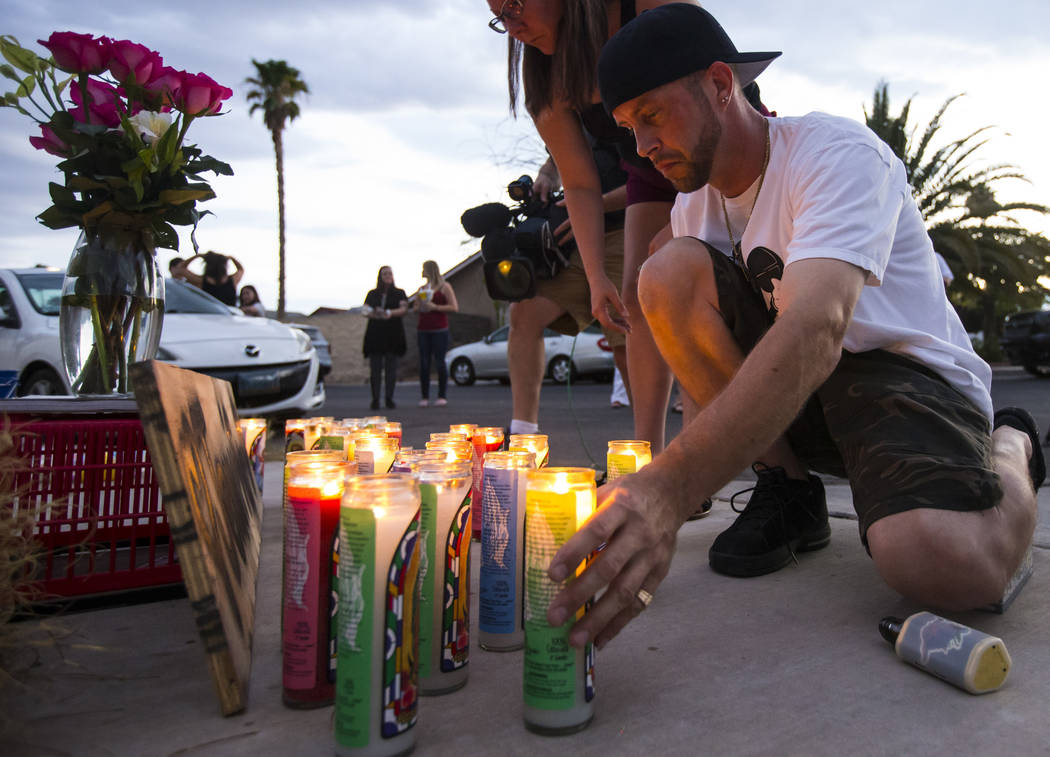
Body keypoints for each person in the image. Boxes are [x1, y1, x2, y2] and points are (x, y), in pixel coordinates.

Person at [545, 4, 1044, 651]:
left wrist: (669, 489)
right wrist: (659, 479)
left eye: (651, 116)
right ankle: (792, 490)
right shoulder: (697, 203)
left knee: (937, 563)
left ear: (722, 86)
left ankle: (1015, 442)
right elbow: (703, 350)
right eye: (626, 129)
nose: (640, 148)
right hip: (804, 394)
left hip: (904, 380)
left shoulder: (834, 155)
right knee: (660, 275)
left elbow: (815, 329)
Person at [488, 0, 698, 453]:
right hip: (650, 176)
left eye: (515, 4)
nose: (511, 23)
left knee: (691, 299)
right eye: (499, 16)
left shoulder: (634, 7)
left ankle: (700, 462)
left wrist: (690, 215)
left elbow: (708, 56)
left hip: (712, 157)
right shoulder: (544, 74)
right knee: (635, 299)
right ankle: (650, 460)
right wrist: (597, 276)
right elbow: (580, 185)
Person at [411, 260, 458, 407]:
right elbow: (414, 308)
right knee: (424, 363)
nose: (421, 271)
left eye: (423, 269)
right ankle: (424, 396)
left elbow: (454, 307)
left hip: (440, 330)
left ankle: (441, 395)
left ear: (430, 270)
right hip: (423, 330)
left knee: (440, 362)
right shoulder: (422, 289)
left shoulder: (445, 287)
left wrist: (435, 307)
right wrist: (420, 307)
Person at [362, 266, 409, 410]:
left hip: (393, 334)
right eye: (385, 274)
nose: (388, 276)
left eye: (390, 273)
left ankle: (389, 398)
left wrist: (388, 313)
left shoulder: (399, 293)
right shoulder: (372, 294)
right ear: (380, 276)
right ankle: (375, 399)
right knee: (375, 369)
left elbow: (403, 309)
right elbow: (365, 310)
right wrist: (375, 313)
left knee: (391, 368)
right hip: (376, 334)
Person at [175, 251, 244, 306]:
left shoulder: (200, 281)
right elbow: (241, 269)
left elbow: (181, 268)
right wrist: (231, 258)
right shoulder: (232, 280)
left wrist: (198, 256)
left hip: (207, 316)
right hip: (229, 318)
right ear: (225, 266)